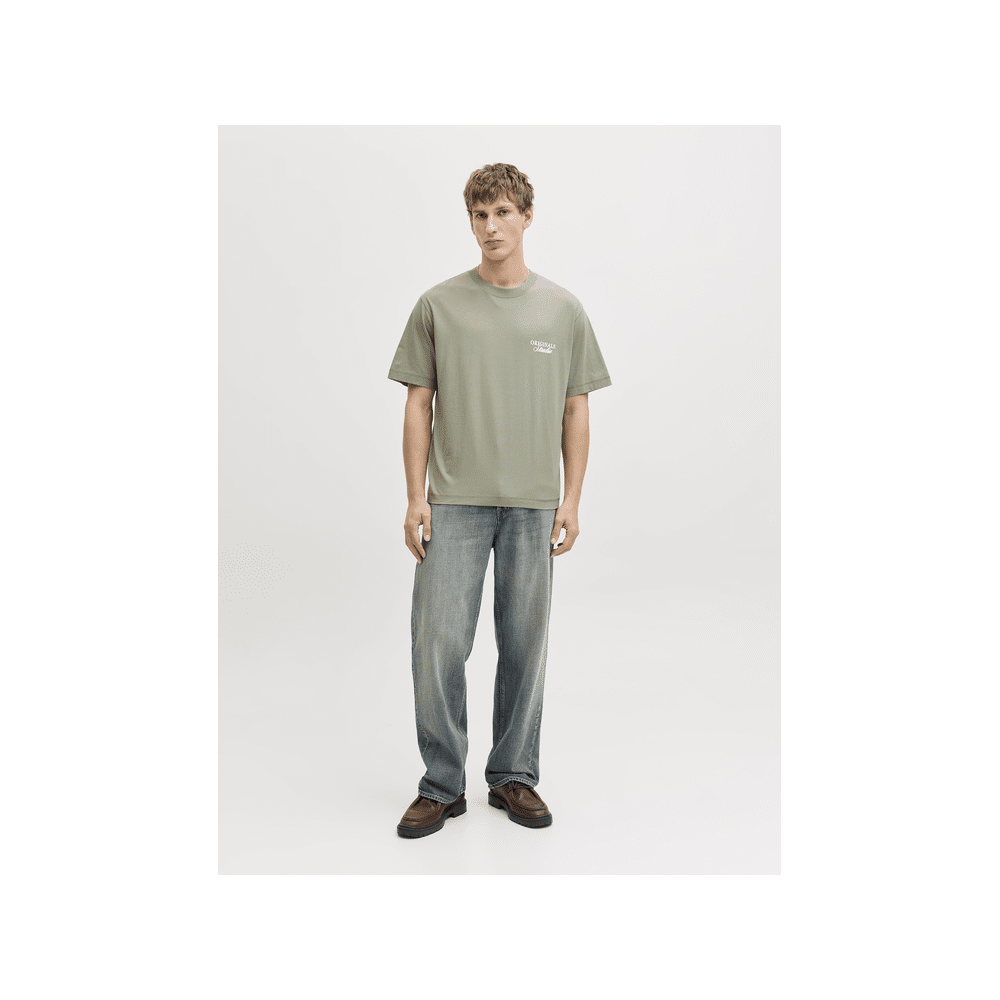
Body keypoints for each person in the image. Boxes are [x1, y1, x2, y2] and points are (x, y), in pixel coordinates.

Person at [386, 163, 612, 838]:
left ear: (527, 217)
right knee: (437, 642)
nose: (491, 227)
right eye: (480, 215)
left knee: (524, 644)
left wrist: (571, 499)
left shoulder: (562, 310)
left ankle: (513, 775)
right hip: (454, 500)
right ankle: (441, 783)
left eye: (503, 213)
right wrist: (415, 497)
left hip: (534, 504)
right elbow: (418, 404)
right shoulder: (438, 305)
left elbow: (576, 409)